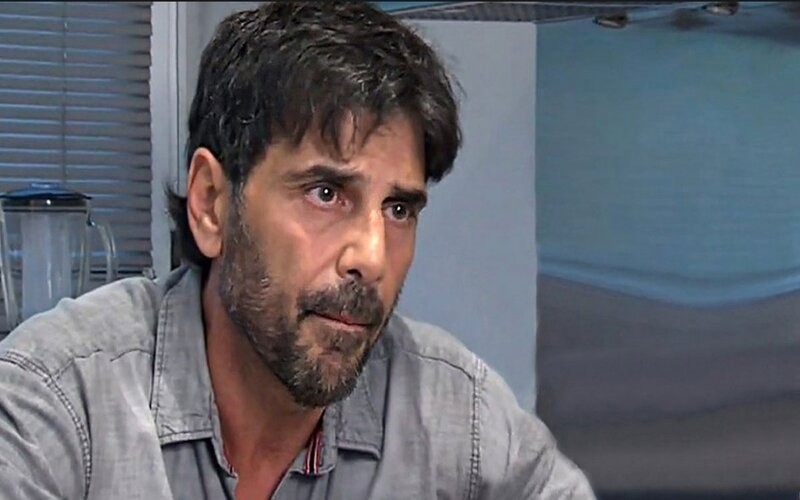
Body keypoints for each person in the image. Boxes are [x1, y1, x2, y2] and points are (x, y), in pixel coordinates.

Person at [0, 2, 594, 498]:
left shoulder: (460, 416)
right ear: (211, 204)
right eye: (326, 193)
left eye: (398, 209)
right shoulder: (56, 405)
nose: (372, 257)